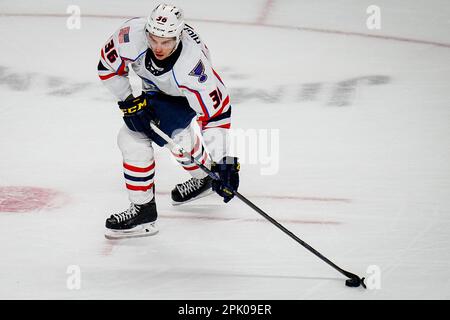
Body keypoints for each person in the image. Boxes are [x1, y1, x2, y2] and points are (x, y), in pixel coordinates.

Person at [97, 3, 240, 239]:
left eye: (166, 42)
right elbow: (107, 67)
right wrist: (128, 100)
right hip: (154, 88)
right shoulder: (130, 35)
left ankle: (144, 212)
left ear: (179, 36)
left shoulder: (193, 68)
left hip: (182, 94)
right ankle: (203, 179)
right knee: (175, 137)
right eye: (153, 39)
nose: (158, 47)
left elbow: (216, 114)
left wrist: (223, 161)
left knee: (135, 138)